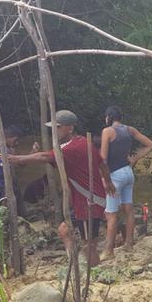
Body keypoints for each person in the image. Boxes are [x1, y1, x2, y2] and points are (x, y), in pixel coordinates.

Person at [44, 110, 115, 268]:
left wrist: (15, 159)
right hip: (84, 202)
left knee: (89, 244)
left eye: (58, 127)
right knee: (64, 230)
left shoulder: (73, 148)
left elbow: (44, 157)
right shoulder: (81, 142)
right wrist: (108, 182)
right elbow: (102, 162)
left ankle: (93, 273)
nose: (54, 130)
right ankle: (74, 265)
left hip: (88, 202)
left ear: (69, 128)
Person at [99, 106, 152, 260]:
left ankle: (109, 251)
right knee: (128, 208)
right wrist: (135, 158)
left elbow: (103, 158)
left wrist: (105, 179)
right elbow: (150, 144)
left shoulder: (107, 131)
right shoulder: (130, 130)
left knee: (110, 214)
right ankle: (128, 244)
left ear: (109, 117)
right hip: (128, 173)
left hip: (115, 175)